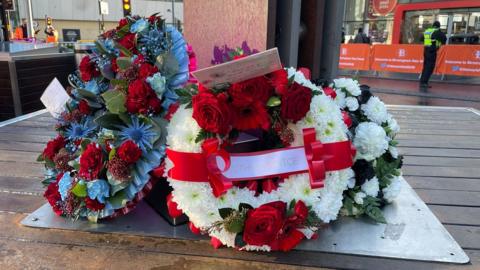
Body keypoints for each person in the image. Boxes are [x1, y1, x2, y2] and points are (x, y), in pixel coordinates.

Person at [419, 21, 447, 89]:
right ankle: (424, 83)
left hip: (426, 50)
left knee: (425, 66)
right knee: (430, 67)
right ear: (438, 26)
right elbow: (444, 39)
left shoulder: (428, 31)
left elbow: (421, 39)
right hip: (432, 51)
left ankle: (422, 81)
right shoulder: (437, 32)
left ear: (433, 25)